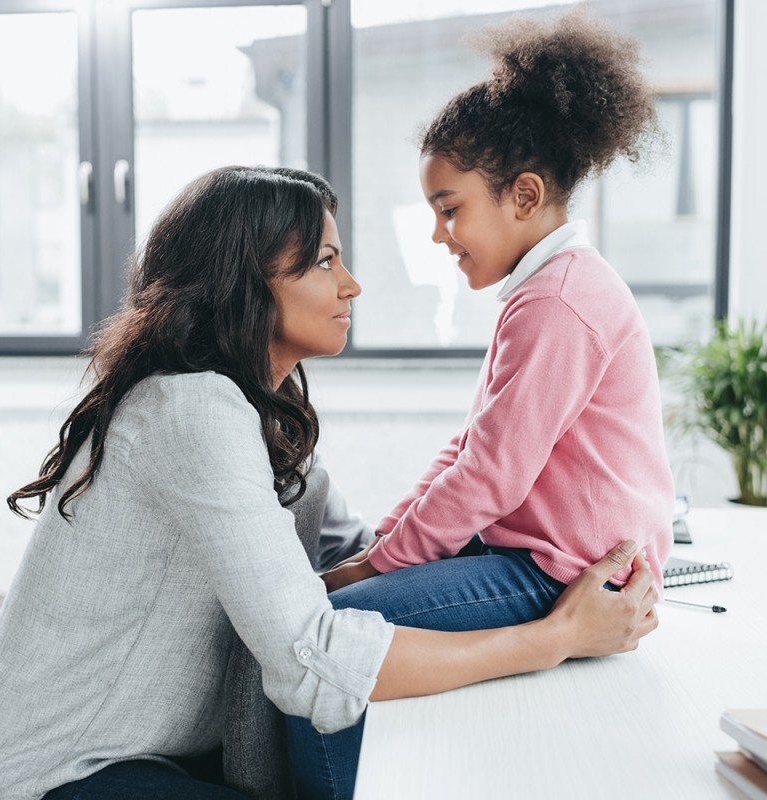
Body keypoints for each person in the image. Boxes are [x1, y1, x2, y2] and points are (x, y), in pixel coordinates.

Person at [0, 165, 656, 800]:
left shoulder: (259, 422)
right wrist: (557, 635)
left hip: (159, 755)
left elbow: (356, 556)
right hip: (60, 774)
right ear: (245, 283)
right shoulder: (189, 410)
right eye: (326, 262)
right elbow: (313, 660)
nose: (351, 284)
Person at [289, 10, 674, 798]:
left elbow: (489, 478)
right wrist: (389, 539)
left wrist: (375, 564)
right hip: (531, 555)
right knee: (345, 592)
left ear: (525, 195)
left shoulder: (560, 301)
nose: (439, 234)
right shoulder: (547, 290)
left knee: (325, 646)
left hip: (557, 574)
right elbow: (472, 449)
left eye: (450, 207)